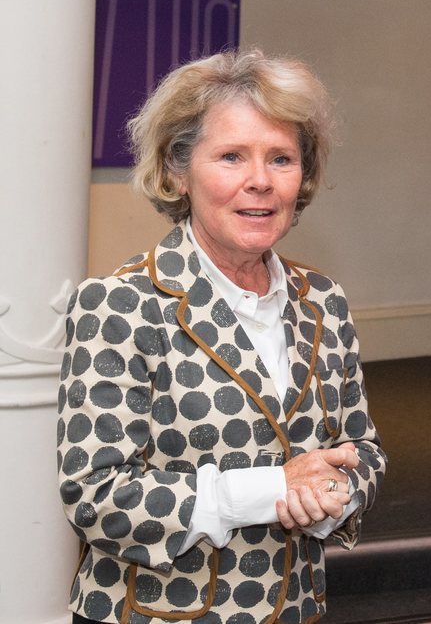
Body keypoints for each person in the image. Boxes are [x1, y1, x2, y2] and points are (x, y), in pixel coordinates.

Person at [57, 49, 386, 624]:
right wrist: (270, 489)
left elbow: (363, 451)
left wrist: (332, 497)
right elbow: (95, 495)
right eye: (232, 156)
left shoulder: (324, 301)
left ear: (302, 177)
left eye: (281, 159)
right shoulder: (120, 304)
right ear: (178, 171)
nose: (260, 181)